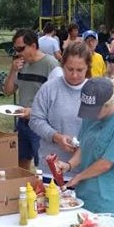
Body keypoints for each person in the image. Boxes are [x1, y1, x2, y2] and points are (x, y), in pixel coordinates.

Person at [57, 77, 114, 216]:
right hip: (85, 194)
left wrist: (78, 177)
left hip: (109, 198)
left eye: (94, 110)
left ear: (108, 104)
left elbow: (106, 163)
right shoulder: (90, 116)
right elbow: (84, 147)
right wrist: (69, 165)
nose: (90, 115)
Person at [29, 41, 91, 179]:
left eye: (80, 70)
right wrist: (56, 137)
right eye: (69, 69)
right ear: (62, 65)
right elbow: (35, 120)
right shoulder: (49, 88)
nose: (74, 75)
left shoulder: (94, 91)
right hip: (50, 169)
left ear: (88, 68)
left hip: (84, 173)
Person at [4, 29, 59, 170]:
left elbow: (58, 99)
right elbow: (8, 91)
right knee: (21, 162)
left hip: (41, 124)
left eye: (20, 48)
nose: (17, 52)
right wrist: (13, 70)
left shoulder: (50, 64)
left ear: (33, 46)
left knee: (42, 165)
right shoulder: (21, 65)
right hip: (22, 122)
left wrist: (34, 111)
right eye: (15, 49)